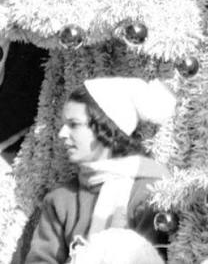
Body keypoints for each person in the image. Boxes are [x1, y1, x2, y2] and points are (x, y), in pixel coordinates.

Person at [18, 79, 173, 264]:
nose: (62, 133)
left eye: (74, 124)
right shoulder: (60, 200)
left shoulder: (150, 195)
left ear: (106, 129)